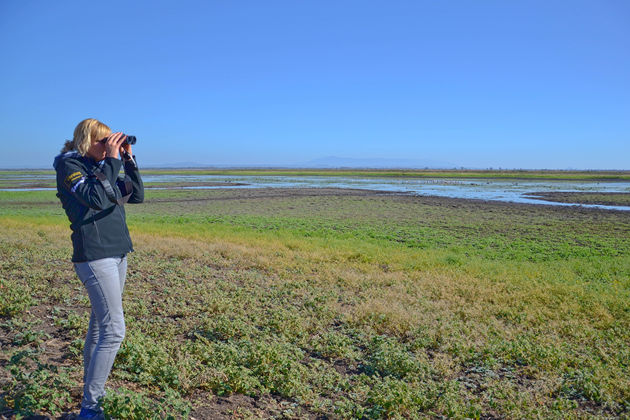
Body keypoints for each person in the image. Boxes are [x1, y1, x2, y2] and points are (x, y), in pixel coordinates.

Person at [53, 118, 144, 420]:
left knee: (99, 326)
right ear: (85, 140)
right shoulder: (70, 167)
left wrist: (128, 160)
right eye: (101, 141)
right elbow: (92, 198)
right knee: (115, 331)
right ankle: (91, 409)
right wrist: (112, 160)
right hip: (94, 256)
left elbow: (137, 195)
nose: (107, 147)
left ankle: (91, 401)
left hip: (118, 253)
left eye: (110, 141)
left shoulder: (102, 166)